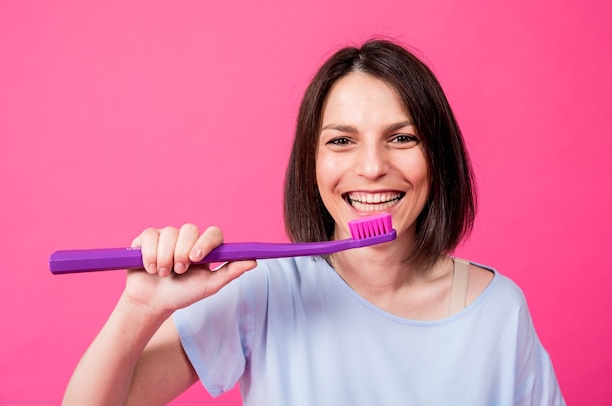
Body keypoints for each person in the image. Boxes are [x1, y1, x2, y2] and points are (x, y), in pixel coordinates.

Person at [62, 39, 565, 405]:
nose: (371, 167)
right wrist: (138, 308)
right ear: (312, 165)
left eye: (403, 138)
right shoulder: (261, 291)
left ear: (439, 159)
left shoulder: (498, 312)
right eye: (341, 141)